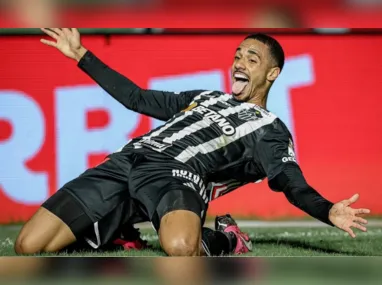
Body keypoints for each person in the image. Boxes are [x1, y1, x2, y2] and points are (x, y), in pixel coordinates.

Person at [14, 28, 370, 256]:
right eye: (237, 54)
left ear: (272, 74)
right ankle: (119, 227)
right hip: (126, 161)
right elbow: (137, 98)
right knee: (29, 246)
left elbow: (290, 182)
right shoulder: (204, 96)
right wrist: (81, 55)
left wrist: (326, 210)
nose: (238, 63)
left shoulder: (270, 129)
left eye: (251, 58)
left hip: (176, 175)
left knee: (182, 249)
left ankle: (228, 239)